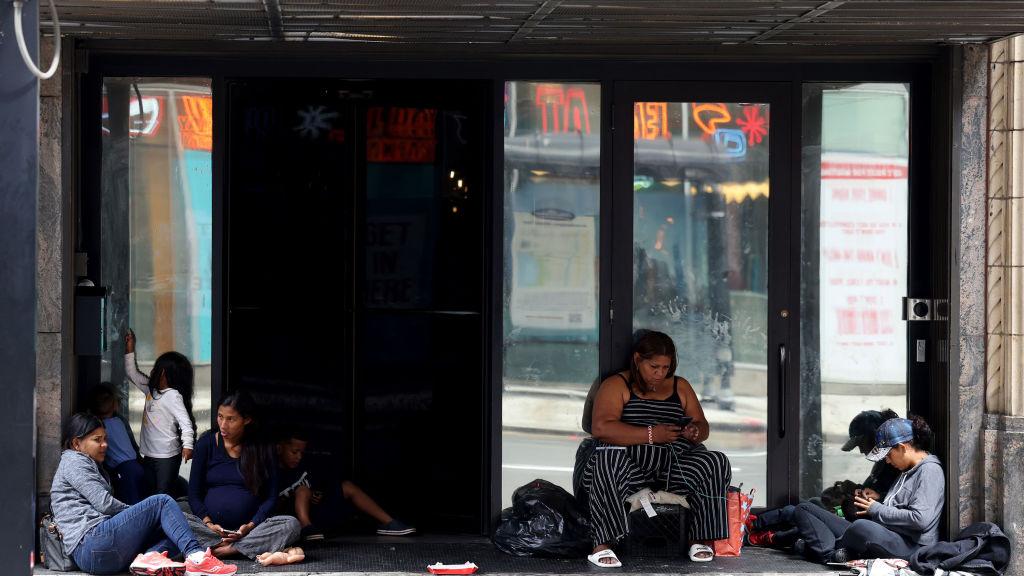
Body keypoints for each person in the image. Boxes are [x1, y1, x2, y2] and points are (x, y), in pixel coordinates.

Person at [577, 330, 732, 568]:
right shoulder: (617, 384)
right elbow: (601, 427)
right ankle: (603, 544)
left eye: (665, 367)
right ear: (638, 360)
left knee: (715, 461)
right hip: (628, 470)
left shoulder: (680, 386)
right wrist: (651, 434)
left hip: (672, 469)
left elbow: (703, 426)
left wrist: (695, 431)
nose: (660, 374)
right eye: (654, 367)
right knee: (607, 456)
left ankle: (698, 539)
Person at [50, 413, 236, 576]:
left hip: (100, 552)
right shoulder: (74, 461)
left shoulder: (89, 463)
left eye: (105, 439)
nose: (105, 445)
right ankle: (197, 557)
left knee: (174, 528)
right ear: (76, 443)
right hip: (91, 543)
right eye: (97, 440)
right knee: (161, 502)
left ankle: (149, 559)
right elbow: (105, 504)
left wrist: (147, 517)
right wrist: (143, 513)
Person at [789, 415, 945, 564]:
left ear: (902, 448)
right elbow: (902, 503)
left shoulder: (930, 470)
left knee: (861, 526)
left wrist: (876, 509)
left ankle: (823, 551)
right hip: (885, 533)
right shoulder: (906, 469)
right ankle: (832, 551)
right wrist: (879, 497)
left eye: (888, 455)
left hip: (910, 545)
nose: (887, 461)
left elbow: (920, 519)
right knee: (805, 508)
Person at [748, 408, 903, 546]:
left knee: (801, 513)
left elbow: (898, 507)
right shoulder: (883, 464)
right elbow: (874, 494)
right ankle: (753, 525)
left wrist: (876, 499)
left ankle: (763, 534)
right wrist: (855, 489)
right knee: (810, 503)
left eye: (861, 444)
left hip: (864, 526)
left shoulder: (898, 469)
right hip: (856, 519)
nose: (861, 451)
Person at [184, 391, 301, 559]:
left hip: (251, 531)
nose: (223, 425)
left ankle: (228, 549)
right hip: (209, 530)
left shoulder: (263, 448)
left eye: (231, 419)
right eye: (220, 417)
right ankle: (229, 545)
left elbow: (271, 498)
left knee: (291, 524)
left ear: (247, 420)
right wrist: (208, 523)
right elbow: (193, 494)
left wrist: (250, 526)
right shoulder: (205, 445)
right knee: (173, 516)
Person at [275, 429, 416, 541]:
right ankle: (307, 528)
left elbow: (324, 482)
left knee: (347, 486)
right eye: (294, 452)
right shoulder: (273, 473)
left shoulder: (304, 464)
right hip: (293, 522)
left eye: (302, 452)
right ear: (280, 448)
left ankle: (389, 523)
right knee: (302, 490)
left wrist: (317, 492)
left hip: (318, 516)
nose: (299, 456)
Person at [125, 329, 197, 497]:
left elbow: (185, 423)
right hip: (149, 454)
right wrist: (129, 350)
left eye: (157, 368)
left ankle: (169, 511)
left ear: (164, 373)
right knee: (151, 492)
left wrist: (188, 445)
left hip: (167, 456)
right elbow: (132, 374)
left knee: (163, 493)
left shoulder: (173, 396)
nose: (152, 371)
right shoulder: (151, 390)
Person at [87, 383, 147, 505]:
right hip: (135, 465)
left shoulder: (98, 428)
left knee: (131, 504)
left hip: (124, 471)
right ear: (115, 405)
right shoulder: (119, 421)